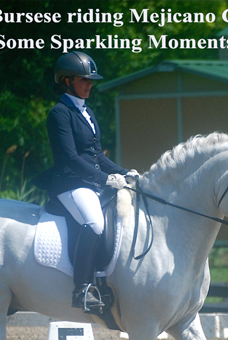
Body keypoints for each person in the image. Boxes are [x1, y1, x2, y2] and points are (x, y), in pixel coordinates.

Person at [36, 51, 135, 311]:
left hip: (88, 181)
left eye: (91, 80)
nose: (90, 84)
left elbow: (96, 156)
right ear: (67, 81)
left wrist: (123, 173)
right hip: (69, 183)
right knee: (94, 223)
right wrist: (105, 179)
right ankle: (81, 290)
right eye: (84, 80)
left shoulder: (86, 111)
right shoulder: (59, 114)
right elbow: (70, 158)